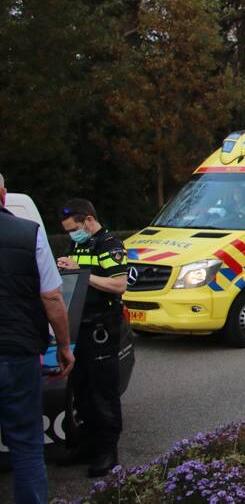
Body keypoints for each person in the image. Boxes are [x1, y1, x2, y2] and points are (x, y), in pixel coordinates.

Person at [0, 173, 75, 503]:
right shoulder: (28, 233)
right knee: (27, 444)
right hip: (17, 353)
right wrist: (63, 346)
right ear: (3, 196)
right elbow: (52, 297)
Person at [55, 198, 126, 478]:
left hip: (102, 328)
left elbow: (119, 284)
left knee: (102, 391)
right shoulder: (79, 244)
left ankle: (107, 450)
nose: (71, 234)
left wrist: (82, 275)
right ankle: (87, 444)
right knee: (81, 389)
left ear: (88, 220)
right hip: (79, 326)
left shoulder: (109, 245)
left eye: (73, 228)